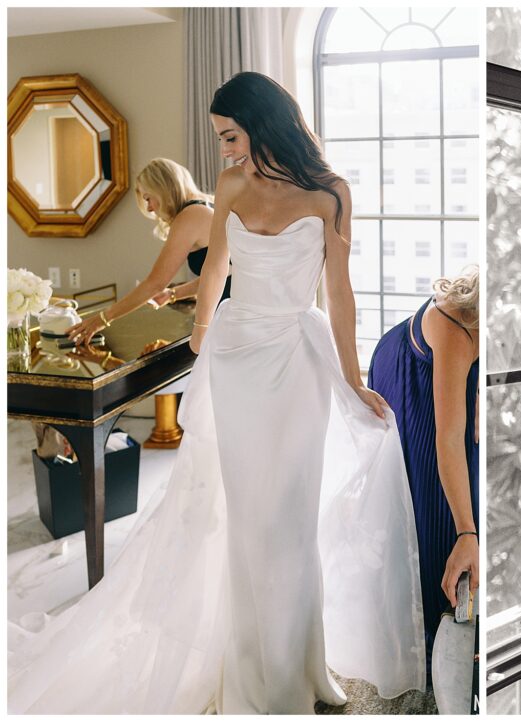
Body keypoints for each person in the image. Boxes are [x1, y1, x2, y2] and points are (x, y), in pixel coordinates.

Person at [8, 72, 424, 714]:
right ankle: (260, 669)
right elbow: (218, 270)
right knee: (253, 525)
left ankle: (302, 662)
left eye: (231, 135)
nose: (224, 151)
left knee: (291, 519)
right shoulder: (230, 186)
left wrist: (353, 378)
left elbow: (339, 294)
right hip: (236, 363)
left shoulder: (330, 194)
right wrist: (202, 338)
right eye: (220, 138)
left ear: (264, 124)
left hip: (297, 360)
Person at [367, 267, 480, 675]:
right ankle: (430, 634)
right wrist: (467, 533)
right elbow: (448, 441)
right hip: (406, 369)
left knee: (470, 463)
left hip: (448, 365)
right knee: (436, 507)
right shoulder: (458, 327)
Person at [66, 158, 229, 346]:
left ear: (163, 189)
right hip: (229, 307)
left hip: (230, 312)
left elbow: (155, 283)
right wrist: (173, 294)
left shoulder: (190, 215)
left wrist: (102, 319)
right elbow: (219, 274)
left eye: (148, 198)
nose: (150, 208)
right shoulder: (206, 206)